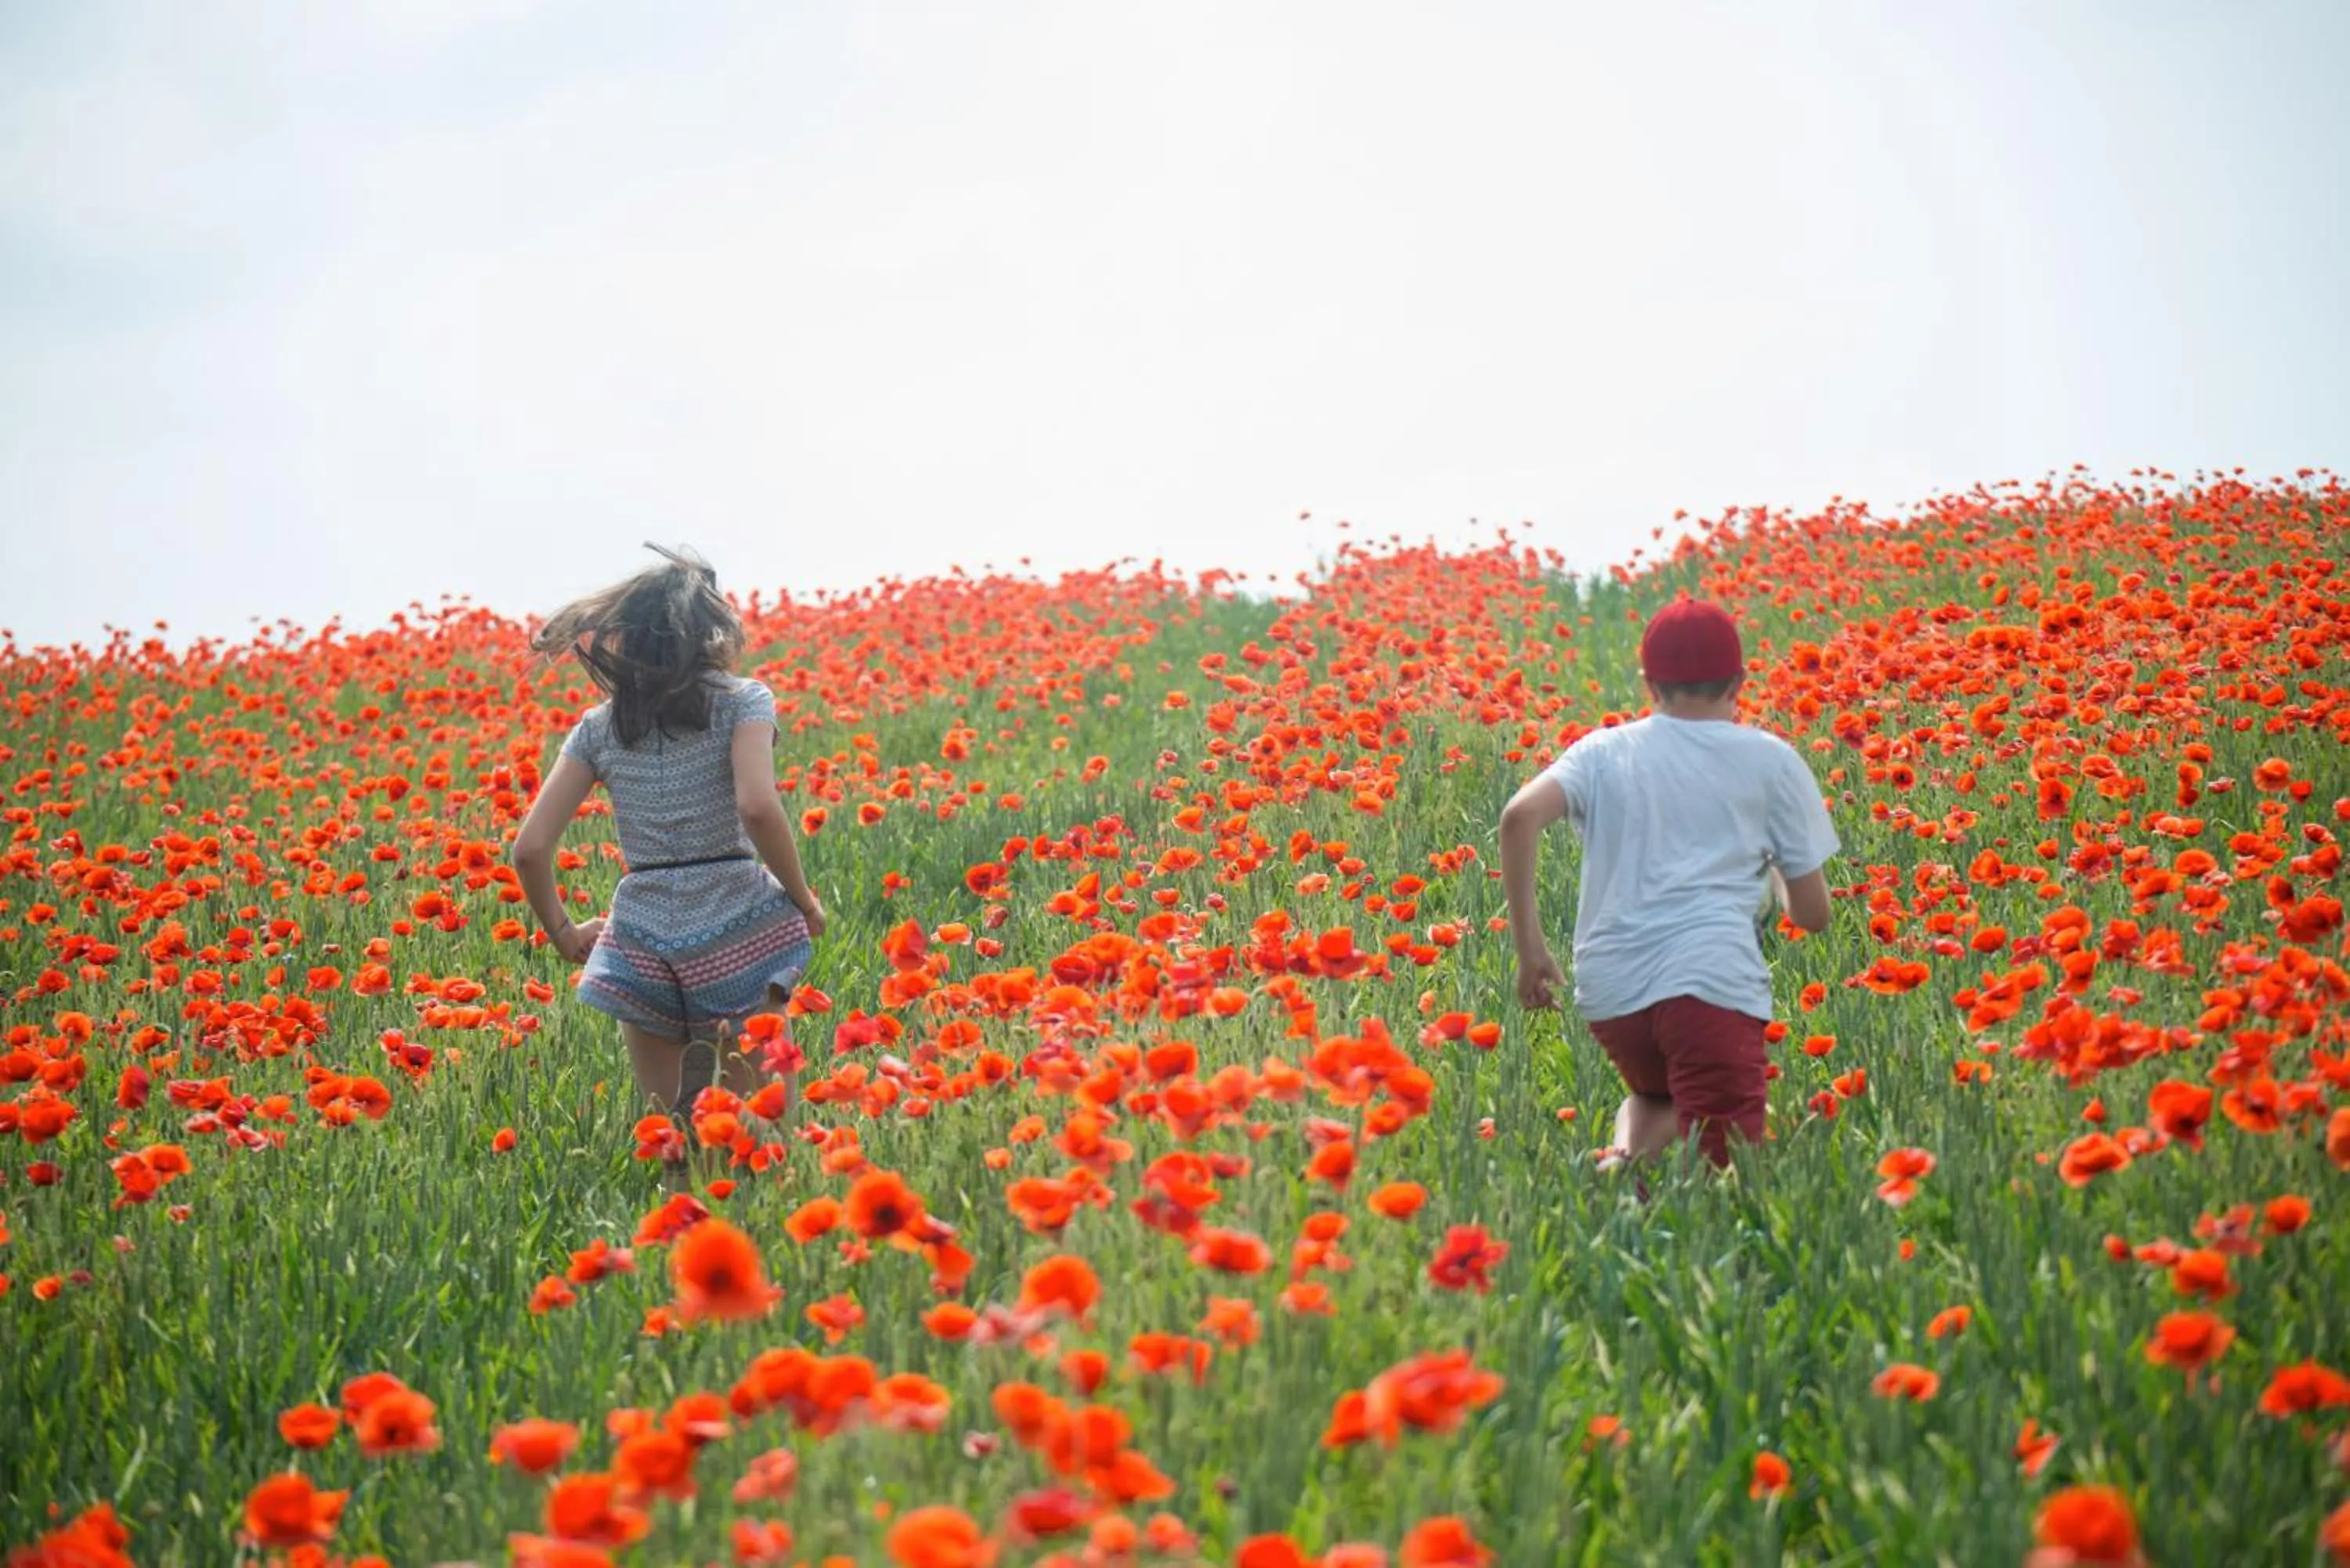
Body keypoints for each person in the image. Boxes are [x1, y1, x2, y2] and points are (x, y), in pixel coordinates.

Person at [509, 545, 826, 1159]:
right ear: (711, 628)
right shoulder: (742, 700)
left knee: (676, 1137)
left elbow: (530, 848)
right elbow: (757, 805)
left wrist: (563, 932)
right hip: (735, 921)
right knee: (761, 1133)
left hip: (643, 935)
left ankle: (678, 1239)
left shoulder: (599, 728)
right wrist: (801, 897)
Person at [1499, 597, 1837, 1169]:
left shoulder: (1603, 751)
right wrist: (1776, 865)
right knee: (1725, 1175)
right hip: (1710, 986)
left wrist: (1531, 953)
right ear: (1740, 682)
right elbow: (1812, 914)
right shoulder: (1770, 760)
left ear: (1649, 684)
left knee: (1657, 1099)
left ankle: (1623, 1170)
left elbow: (1518, 818)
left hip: (1612, 993)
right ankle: (1635, 1195)